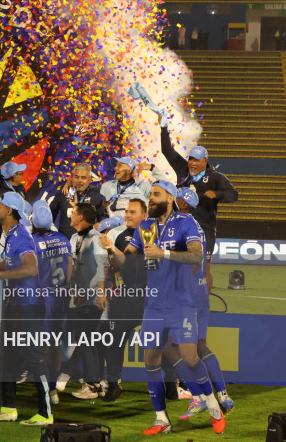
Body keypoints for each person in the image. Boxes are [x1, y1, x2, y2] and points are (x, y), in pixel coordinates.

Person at [116, 180, 226, 435]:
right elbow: (129, 259)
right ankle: (161, 420)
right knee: (151, 361)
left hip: (181, 304)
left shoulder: (186, 223)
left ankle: (212, 405)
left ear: (170, 197)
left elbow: (196, 255)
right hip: (153, 306)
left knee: (189, 357)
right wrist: (111, 248)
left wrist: (163, 253)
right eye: (150, 195)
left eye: (156, 194)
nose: (151, 198)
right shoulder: (146, 226)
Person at [0, 192, 51, 426]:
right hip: (18, 304)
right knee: (9, 357)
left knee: (32, 358)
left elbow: (30, 269)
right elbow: (14, 263)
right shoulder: (12, 234)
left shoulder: (20, 236)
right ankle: (9, 409)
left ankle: (46, 413)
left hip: (29, 306)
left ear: (9, 211)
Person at [174, 188, 235, 418]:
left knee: (171, 347)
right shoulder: (197, 226)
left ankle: (199, 397)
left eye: (175, 198)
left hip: (186, 295)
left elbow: (189, 260)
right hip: (199, 293)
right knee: (200, 345)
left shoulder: (182, 225)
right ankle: (223, 395)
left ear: (181, 203)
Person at [159, 117, 238, 273]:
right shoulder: (183, 169)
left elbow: (233, 195)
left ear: (205, 161)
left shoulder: (215, 177)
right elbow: (167, 151)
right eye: (191, 159)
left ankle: (203, 297)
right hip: (179, 226)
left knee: (203, 269)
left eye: (197, 161)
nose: (193, 163)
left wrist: (216, 194)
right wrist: (163, 127)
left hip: (204, 228)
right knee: (175, 266)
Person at [97, 198, 148, 402]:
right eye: (126, 211)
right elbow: (119, 266)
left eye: (132, 212)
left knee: (163, 342)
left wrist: (111, 248)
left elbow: (130, 264)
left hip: (147, 297)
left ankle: (172, 383)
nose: (127, 215)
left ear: (144, 216)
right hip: (124, 297)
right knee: (115, 340)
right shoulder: (121, 237)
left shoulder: (152, 234)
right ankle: (113, 383)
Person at [59, 203, 108, 400]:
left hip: (93, 295)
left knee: (86, 338)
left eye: (74, 213)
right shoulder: (74, 238)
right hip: (79, 296)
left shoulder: (96, 238)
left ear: (80, 217)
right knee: (88, 339)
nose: (70, 215)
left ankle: (91, 385)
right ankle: (95, 384)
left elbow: (103, 266)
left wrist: (100, 294)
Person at [29, 199, 72, 407]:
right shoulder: (64, 239)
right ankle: (52, 388)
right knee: (54, 344)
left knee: (43, 345)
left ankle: (47, 389)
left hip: (43, 298)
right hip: (61, 296)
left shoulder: (33, 242)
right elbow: (70, 268)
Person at [49, 162, 107, 238]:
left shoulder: (96, 195)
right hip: (66, 244)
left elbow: (102, 216)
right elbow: (50, 216)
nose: (79, 180)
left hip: (87, 243)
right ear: (72, 178)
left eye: (83, 178)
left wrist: (100, 224)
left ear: (90, 180)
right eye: (76, 177)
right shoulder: (64, 193)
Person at [100, 156, 166, 217]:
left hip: (136, 228)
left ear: (129, 170)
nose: (115, 168)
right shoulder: (107, 186)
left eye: (120, 165)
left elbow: (166, 187)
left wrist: (152, 168)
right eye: (116, 165)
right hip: (112, 228)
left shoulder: (142, 187)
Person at [0, 159, 26, 256]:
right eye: (21, 173)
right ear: (14, 176)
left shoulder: (20, 188)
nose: (22, 176)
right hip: (3, 236)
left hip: (19, 233)